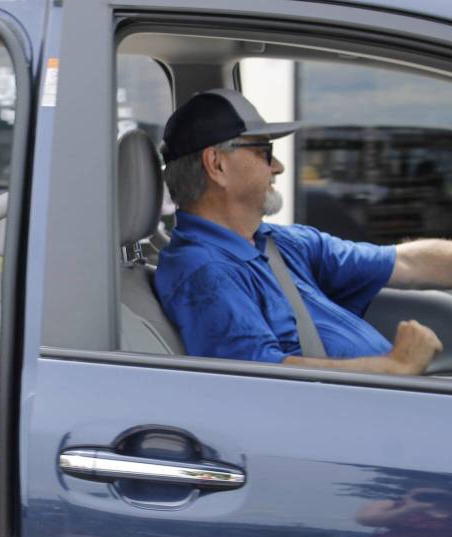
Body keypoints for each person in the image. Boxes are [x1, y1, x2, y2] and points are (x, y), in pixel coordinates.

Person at [154, 88, 452, 374]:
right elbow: (257, 376)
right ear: (216, 164)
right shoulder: (202, 270)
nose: (279, 167)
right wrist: (396, 367)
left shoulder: (279, 242)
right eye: (264, 152)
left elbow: (405, 262)